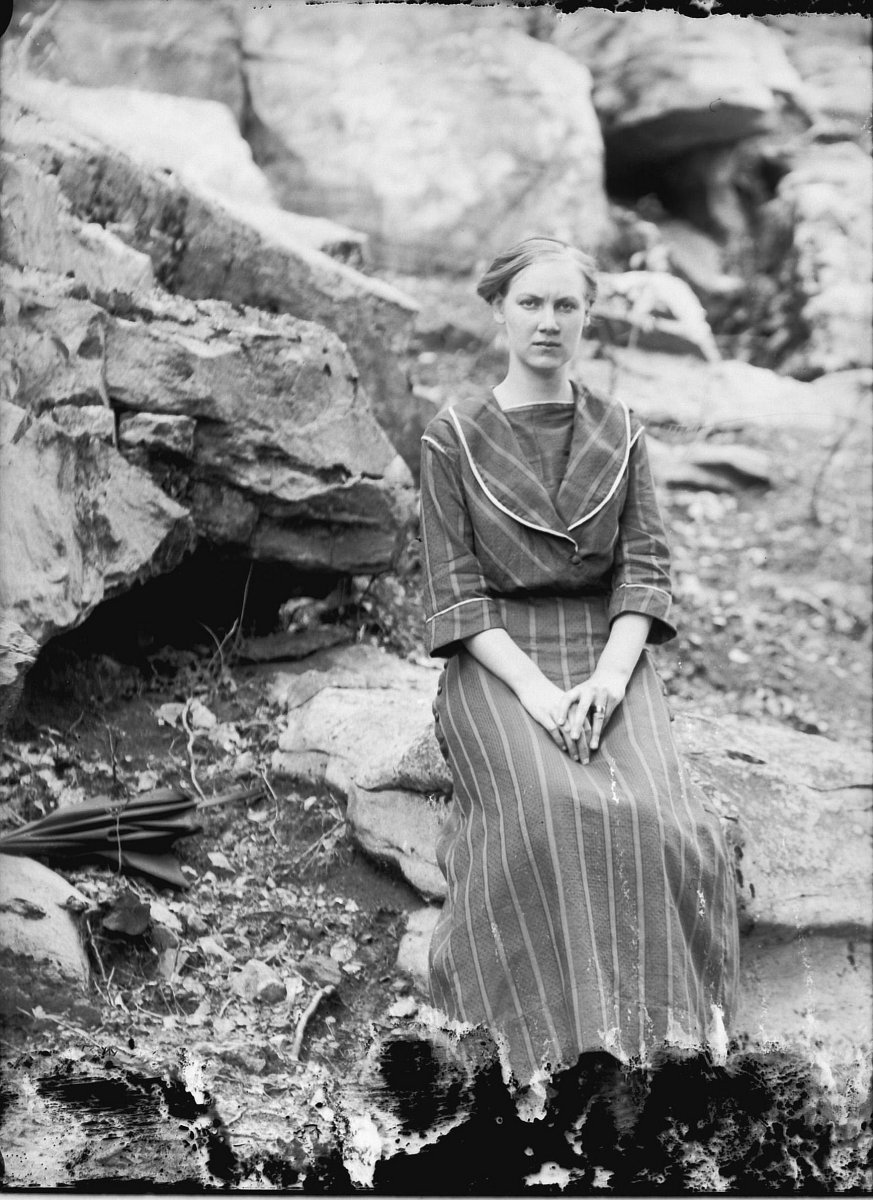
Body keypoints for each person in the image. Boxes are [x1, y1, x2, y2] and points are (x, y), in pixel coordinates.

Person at [418, 236, 739, 1092]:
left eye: (566, 305)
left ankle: (669, 1056)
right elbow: (454, 592)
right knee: (550, 812)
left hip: (607, 650)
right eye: (530, 303)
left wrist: (607, 679)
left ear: (587, 316)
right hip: (499, 660)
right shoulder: (453, 438)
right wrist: (536, 692)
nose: (547, 322)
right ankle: (537, 1061)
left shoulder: (620, 430)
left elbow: (644, 567)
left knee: (656, 820)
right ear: (498, 310)